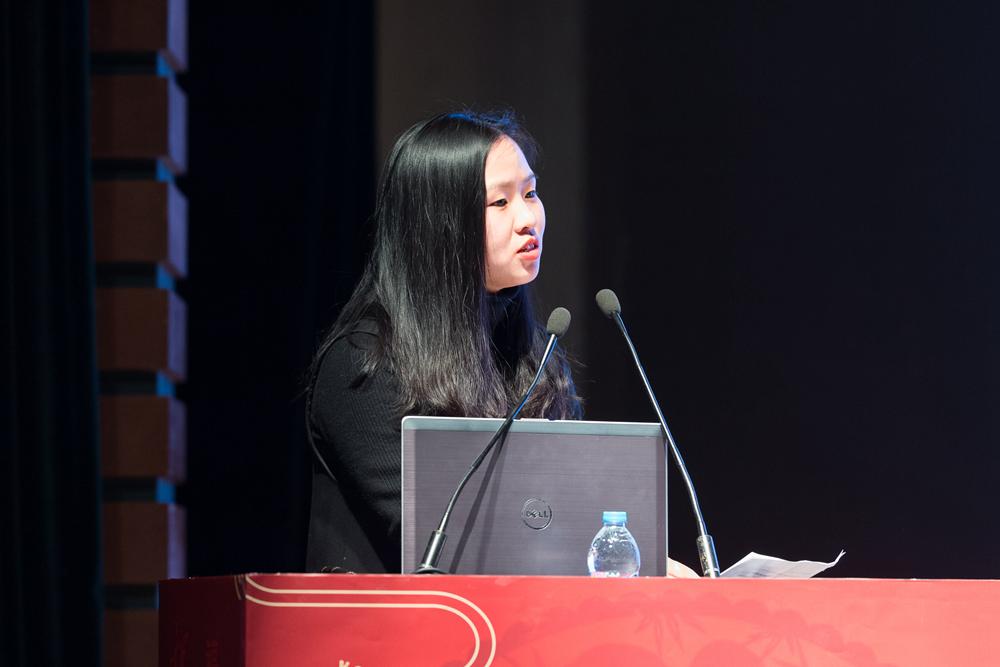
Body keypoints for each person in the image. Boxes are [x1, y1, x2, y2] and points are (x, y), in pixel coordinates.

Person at [305, 111, 582, 573]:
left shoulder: (536, 357)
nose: (527, 219)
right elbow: (453, 532)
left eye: (530, 194)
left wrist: (632, 560)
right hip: (389, 636)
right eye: (500, 203)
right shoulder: (364, 364)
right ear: (441, 223)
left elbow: (568, 509)